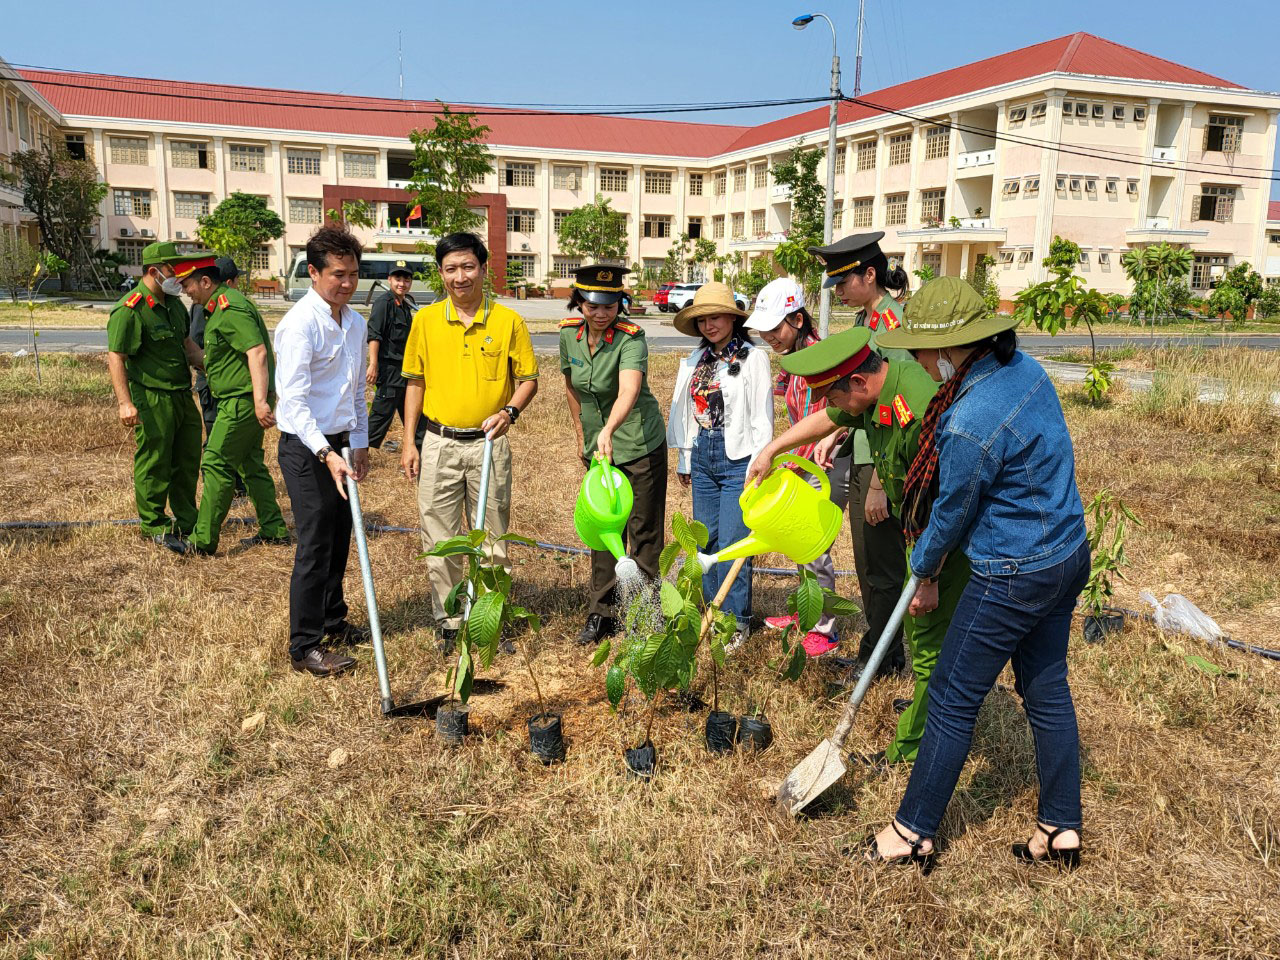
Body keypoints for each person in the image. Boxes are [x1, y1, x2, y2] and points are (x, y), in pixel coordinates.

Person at [861, 277, 1090, 872]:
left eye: (920, 351)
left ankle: (913, 831)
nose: (915, 361)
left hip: (1013, 571)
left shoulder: (967, 423)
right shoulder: (1027, 372)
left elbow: (951, 514)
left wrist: (923, 568)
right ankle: (1061, 825)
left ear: (948, 351)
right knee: (1047, 687)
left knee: (951, 695)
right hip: (1066, 553)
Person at [747, 323, 970, 769]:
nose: (832, 407)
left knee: (929, 644)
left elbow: (948, 500)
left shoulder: (917, 406)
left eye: (832, 394)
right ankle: (931, 713)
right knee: (921, 634)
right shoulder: (873, 392)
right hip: (917, 528)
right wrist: (774, 448)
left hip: (942, 536)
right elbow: (830, 418)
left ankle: (912, 749)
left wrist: (928, 575)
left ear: (859, 382)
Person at [400, 233, 539, 648]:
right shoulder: (425, 320)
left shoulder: (508, 321)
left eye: (468, 267)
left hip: (488, 443)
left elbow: (528, 379)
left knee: (493, 537)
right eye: (450, 269)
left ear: (483, 268)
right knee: (439, 538)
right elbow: (415, 382)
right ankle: (450, 623)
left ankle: (488, 622)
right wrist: (410, 441)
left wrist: (508, 412)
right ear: (440, 273)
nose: (460, 277)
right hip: (439, 442)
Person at [807, 231, 914, 679]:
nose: (840, 292)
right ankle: (880, 651)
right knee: (869, 562)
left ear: (870, 276)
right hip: (864, 448)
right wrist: (834, 435)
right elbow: (854, 401)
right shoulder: (863, 323)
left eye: (844, 283)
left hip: (883, 459)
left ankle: (882, 655)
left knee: (881, 562)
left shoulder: (893, 325)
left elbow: (892, 405)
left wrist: (873, 484)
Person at [273, 225, 371, 678]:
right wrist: (325, 453)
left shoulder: (354, 322)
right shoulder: (299, 325)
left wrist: (359, 444)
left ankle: (334, 620)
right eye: (337, 274)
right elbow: (292, 400)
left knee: (339, 538)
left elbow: (354, 393)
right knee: (314, 543)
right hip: (305, 447)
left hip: (339, 444)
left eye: (352, 273)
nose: (346, 283)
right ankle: (305, 645)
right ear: (313, 273)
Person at [559, 265, 667, 646]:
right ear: (580, 303)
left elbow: (628, 391)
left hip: (638, 445)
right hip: (598, 451)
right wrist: (582, 436)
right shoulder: (568, 337)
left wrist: (608, 429)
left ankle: (645, 613)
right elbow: (572, 389)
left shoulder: (631, 338)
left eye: (611, 305)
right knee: (603, 530)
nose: (602, 313)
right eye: (593, 305)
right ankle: (601, 613)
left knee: (643, 531)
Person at [743, 276, 850, 657]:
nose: (767, 335)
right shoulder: (790, 361)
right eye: (763, 329)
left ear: (798, 320)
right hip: (799, 462)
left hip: (826, 462)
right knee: (797, 544)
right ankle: (806, 613)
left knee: (813, 544)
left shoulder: (822, 357)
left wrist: (793, 462)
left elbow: (839, 412)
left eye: (774, 327)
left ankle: (826, 627)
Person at [667, 281, 773, 644]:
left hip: (738, 457)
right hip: (703, 455)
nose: (709, 326)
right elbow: (686, 413)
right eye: (702, 320)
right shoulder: (697, 360)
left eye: (716, 317)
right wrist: (685, 457)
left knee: (733, 541)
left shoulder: (752, 358)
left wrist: (760, 463)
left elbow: (762, 416)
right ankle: (710, 614)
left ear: (732, 317)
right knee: (705, 541)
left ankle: (736, 622)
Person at [175, 252, 290, 555]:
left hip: (240, 401)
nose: (185, 291)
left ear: (205, 281)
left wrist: (260, 401)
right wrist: (186, 348)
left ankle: (201, 542)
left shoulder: (230, 308)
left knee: (215, 462)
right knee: (250, 465)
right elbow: (216, 358)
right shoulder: (216, 308)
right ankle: (274, 528)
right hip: (238, 398)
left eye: (187, 285)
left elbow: (257, 353)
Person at [105, 240, 204, 551]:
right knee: (154, 461)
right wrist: (125, 403)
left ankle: (187, 520)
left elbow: (188, 345)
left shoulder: (175, 305)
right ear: (153, 271)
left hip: (181, 395)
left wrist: (214, 367)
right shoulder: (129, 310)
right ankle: (154, 524)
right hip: (151, 397)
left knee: (187, 459)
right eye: (173, 270)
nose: (180, 276)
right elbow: (116, 357)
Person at [365, 260, 426, 453]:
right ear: (390, 279)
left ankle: (420, 454)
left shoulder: (409, 303)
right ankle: (357, 454)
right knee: (381, 415)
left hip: (407, 370)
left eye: (406, 279)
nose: (402, 283)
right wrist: (373, 364)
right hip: (389, 370)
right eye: (398, 278)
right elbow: (375, 335)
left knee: (417, 415)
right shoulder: (384, 303)